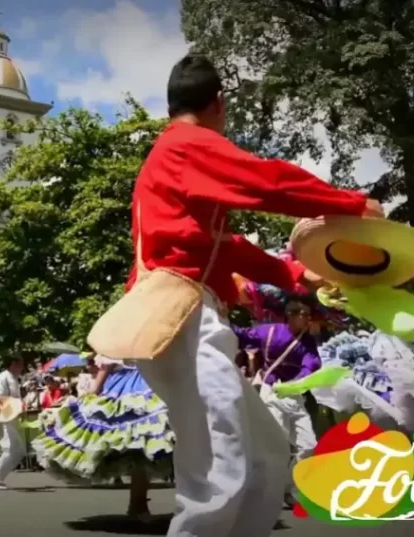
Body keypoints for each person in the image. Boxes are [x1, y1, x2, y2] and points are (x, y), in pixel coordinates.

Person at [124, 54, 382, 537]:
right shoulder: (186, 145)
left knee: (263, 450)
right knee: (222, 461)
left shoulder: (172, 162)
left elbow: (223, 245)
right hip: (183, 319)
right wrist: (350, 204)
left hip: (176, 319)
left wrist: (291, 274)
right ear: (219, 104)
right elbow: (266, 181)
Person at [33, 355, 174, 520]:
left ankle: (140, 504)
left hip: (146, 382)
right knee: (139, 444)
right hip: (128, 386)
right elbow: (106, 365)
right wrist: (94, 391)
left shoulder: (134, 335)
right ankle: (139, 504)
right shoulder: (118, 338)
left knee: (145, 443)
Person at [232, 296, 321, 507]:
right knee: (277, 444)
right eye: (304, 315)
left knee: (310, 446)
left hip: (295, 394)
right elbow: (244, 337)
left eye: (309, 315)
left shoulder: (307, 340)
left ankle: (284, 487)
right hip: (271, 392)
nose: (308, 319)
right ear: (290, 315)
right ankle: (266, 491)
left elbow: (312, 364)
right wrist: (221, 319)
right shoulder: (269, 331)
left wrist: (297, 382)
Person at [0, 356, 25, 490]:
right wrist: (5, 412)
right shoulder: (2, 377)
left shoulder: (13, 379)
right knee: (10, 448)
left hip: (11, 418)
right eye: (21, 364)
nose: (22, 367)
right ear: (13, 363)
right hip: (4, 418)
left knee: (18, 451)